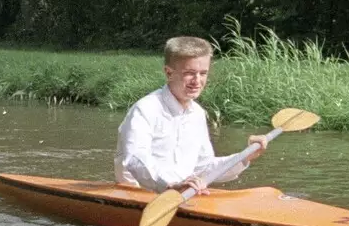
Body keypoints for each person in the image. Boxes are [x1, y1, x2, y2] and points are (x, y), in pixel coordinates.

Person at [114, 36, 268, 194]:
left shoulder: (198, 113)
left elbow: (204, 168)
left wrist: (245, 156)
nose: (197, 81)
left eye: (203, 73)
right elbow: (135, 159)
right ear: (169, 73)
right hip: (137, 194)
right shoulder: (145, 109)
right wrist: (170, 186)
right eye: (190, 73)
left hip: (182, 193)